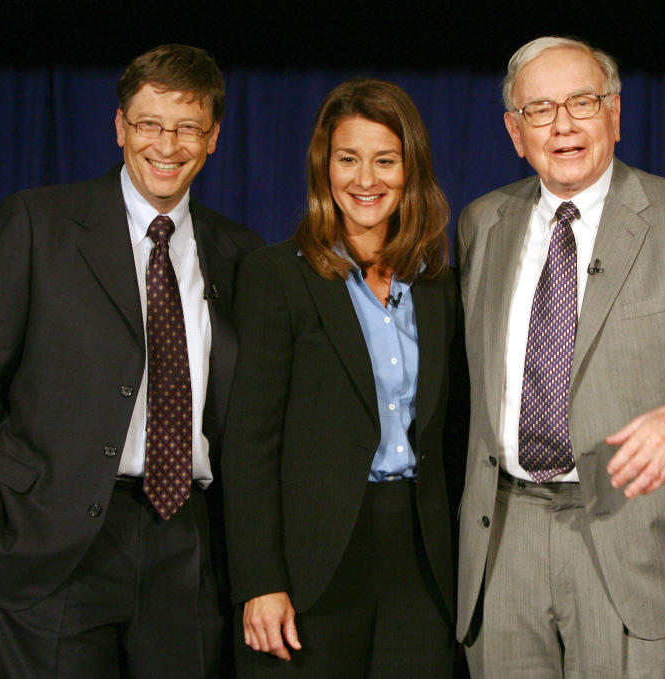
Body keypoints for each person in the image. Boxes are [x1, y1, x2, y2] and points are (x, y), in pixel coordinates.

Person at [455, 36, 665, 678]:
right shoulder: (483, 223)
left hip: (632, 528)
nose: (563, 125)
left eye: (582, 102)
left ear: (614, 113)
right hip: (505, 534)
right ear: (514, 131)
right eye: (540, 109)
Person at [0, 44, 262, 678]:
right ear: (119, 128)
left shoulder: (239, 253)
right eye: (149, 124)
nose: (167, 144)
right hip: (51, 546)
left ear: (214, 137)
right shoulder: (40, 223)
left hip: (186, 544)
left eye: (188, 126)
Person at [222, 78, 461, 678]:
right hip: (313, 562)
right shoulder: (276, 276)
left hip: (421, 562)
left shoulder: (439, 288)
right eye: (348, 159)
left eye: (385, 161)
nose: (365, 180)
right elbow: (249, 444)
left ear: (412, 170)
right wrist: (260, 580)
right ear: (324, 168)